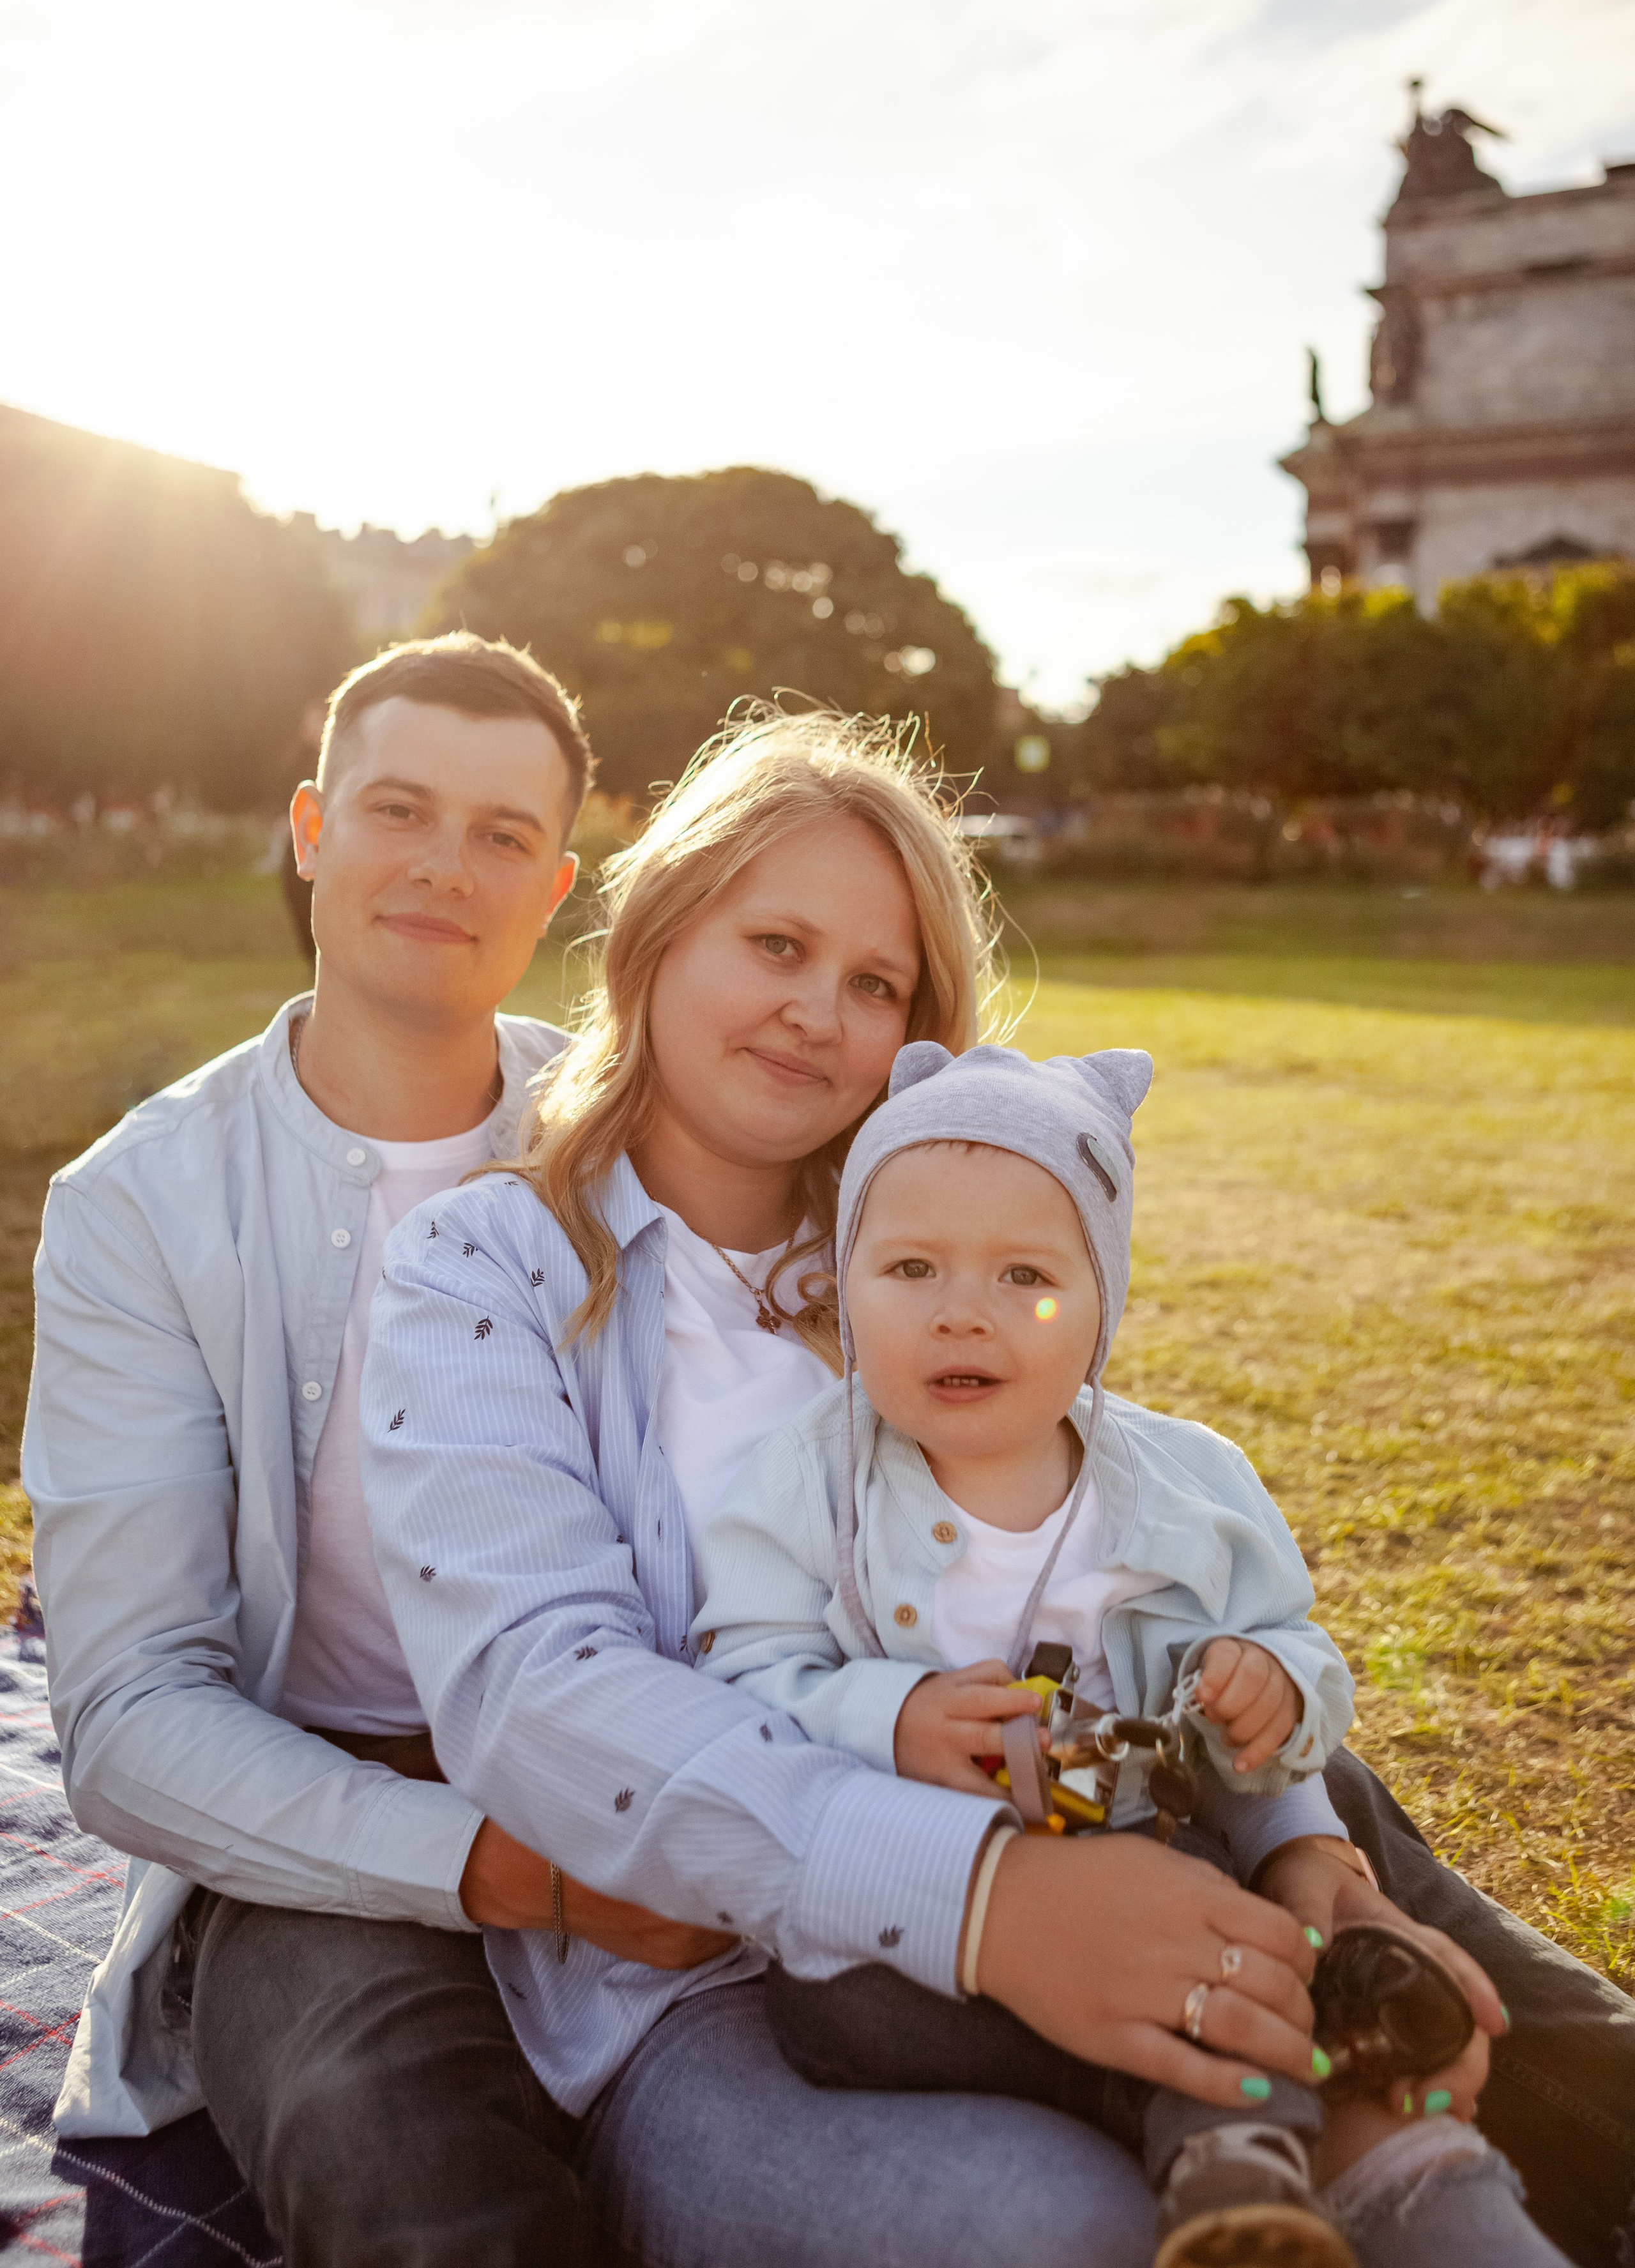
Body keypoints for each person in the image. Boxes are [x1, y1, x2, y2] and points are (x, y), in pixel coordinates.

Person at [361, 708, 1543, 2268]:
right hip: (700, 1986)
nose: (813, 1014)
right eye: (774, 944)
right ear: (652, 934)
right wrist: (984, 1901)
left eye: (874, 983)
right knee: (1065, 2228)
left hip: (1104, 1844)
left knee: (1421, 2111)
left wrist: (1305, 1851)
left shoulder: (941, 1259)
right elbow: (533, 1694)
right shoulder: (480, 1267)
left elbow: (1140, 1598)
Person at [23, 632, 732, 2268]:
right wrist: (507, 1872)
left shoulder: (648, 1143)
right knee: (400, 2161)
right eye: (398, 809)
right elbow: (129, 1719)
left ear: (556, 885)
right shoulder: (139, 1206)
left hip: (644, 1744)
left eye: (499, 835)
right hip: (321, 1809)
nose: (441, 865)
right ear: (311, 829)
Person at [692, 1039, 1569, 2268]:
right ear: (844, 1283)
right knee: (840, 2003)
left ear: (1104, 1303)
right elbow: (739, 1682)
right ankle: (1225, 2115)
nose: (962, 1309)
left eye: (1025, 1276)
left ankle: (1240, 2149)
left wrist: (1271, 1690)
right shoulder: (808, 1481)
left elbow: (1296, 1655)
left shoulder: (1187, 1489)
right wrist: (889, 1717)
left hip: (1171, 1864)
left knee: (1237, 1926)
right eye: (910, 1267)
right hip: (926, 1912)